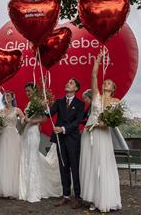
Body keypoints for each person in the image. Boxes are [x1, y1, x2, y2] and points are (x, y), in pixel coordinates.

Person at [80, 48, 122, 212]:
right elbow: (93, 76)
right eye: (105, 82)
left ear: (113, 89)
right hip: (89, 133)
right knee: (91, 164)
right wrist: (98, 59)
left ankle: (105, 198)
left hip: (103, 135)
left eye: (109, 83)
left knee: (103, 163)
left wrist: (101, 124)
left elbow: (113, 122)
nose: (106, 83)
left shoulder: (116, 102)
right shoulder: (96, 95)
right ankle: (93, 198)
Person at [18, 83, 62, 203]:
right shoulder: (30, 104)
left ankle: (33, 190)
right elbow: (27, 117)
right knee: (26, 157)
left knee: (32, 157)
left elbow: (44, 119)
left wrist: (31, 121)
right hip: (26, 131)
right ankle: (25, 189)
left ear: (34, 90)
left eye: (29, 90)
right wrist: (23, 120)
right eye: (26, 91)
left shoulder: (40, 103)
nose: (27, 93)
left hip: (33, 132)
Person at [46, 78, 85, 209]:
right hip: (60, 140)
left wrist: (63, 129)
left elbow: (78, 121)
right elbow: (49, 114)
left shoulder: (80, 104)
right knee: (64, 167)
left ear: (76, 88)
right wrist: (44, 106)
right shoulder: (59, 101)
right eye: (67, 82)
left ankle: (78, 197)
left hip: (73, 139)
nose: (67, 84)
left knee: (74, 167)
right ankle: (66, 195)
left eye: (71, 83)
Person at [0, 91, 25, 199]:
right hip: (2, 138)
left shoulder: (17, 110)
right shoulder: (1, 111)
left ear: (12, 97)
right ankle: (2, 188)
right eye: (5, 96)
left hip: (13, 137)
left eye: (8, 95)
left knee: (12, 160)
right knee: (3, 160)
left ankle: (12, 189)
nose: (6, 97)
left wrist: (26, 120)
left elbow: (24, 120)